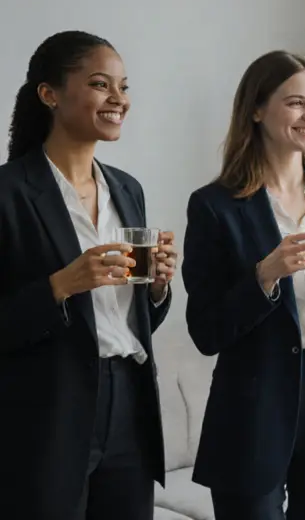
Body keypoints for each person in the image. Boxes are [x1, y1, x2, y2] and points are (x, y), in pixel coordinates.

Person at [182, 50, 305, 520]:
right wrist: (265, 274)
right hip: (252, 411)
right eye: (297, 103)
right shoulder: (214, 206)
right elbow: (206, 331)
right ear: (256, 109)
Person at [0, 30, 178, 520]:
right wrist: (62, 284)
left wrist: (158, 288)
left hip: (130, 402)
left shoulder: (128, 189)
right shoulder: (9, 193)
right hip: (47, 413)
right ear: (49, 94)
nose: (118, 99)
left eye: (123, 87)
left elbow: (129, 319)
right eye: (101, 84)